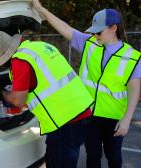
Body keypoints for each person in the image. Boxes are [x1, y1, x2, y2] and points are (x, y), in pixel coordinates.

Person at [32, 0, 141, 168]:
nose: (95, 36)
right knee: (93, 156)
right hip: (89, 115)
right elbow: (65, 28)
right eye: (94, 32)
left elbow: (134, 88)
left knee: (114, 158)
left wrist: (127, 119)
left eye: (99, 32)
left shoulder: (132, 56)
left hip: (114, 117)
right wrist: (41, 10)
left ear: (113, 28)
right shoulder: (89, 44)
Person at [0, 31, 94, 168]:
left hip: (64, 121)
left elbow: (18, 101)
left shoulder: (20, 60)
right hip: (81, 112)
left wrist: (1, 94)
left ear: (6, 55)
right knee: (54, 160)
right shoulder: (40, 46)